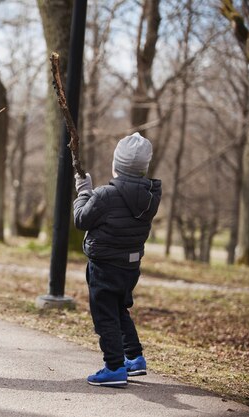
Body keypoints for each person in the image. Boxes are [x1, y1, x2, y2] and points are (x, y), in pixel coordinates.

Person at [73, 132, 162, 386]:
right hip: (130, 266)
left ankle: (114, 367)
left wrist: (83, 190)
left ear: (116, 166)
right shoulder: (149, 198)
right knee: (119, 309)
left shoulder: (104, 195)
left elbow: (81, 219)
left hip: (104, 265)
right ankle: (134, 358)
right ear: (143, 169)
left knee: (105, 315)